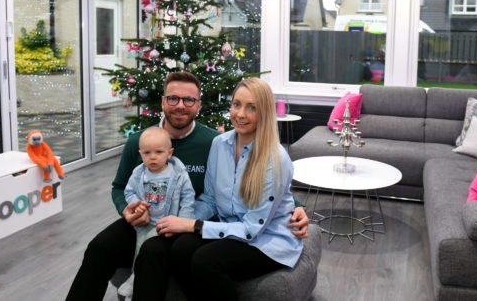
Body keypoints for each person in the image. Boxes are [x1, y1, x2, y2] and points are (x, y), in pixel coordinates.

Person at [66, 72, 309, 300]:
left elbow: (267, 189)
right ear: (163, 102)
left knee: (163, 250)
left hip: (188, 219)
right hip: (145, 217)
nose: (180, 105)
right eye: (173, 98)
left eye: (188, 100)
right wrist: (126, 208)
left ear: (198, 105)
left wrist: (295, 206)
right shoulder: (139, 142)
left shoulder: (210, 141)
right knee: (98, 247)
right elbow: (120, 187)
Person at [132, 77, 303, 300]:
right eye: (236, 104)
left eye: (252, 107)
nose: (240, 114)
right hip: (229, 226)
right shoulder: (219, 144)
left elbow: (252, 230)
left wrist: (194, 225)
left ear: (265, 113)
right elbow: (210, 199)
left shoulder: (275, 159)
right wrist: (181, 220)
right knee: (179, 248)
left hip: (267, 241)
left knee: (205, 261)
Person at [116, 127, 196, 299]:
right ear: (140, 153)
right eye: (147, 153)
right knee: (139, 249)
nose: (152, 157)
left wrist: (184, 220)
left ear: (169, 153)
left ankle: (137, 280)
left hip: (167, 222)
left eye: (158, 152)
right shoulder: (138, 174)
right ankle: (135, 277)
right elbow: (129, 192)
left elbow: (188, 196)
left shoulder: (178, 174)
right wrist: (135, 205)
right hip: (145, 222)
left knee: (149, 250)